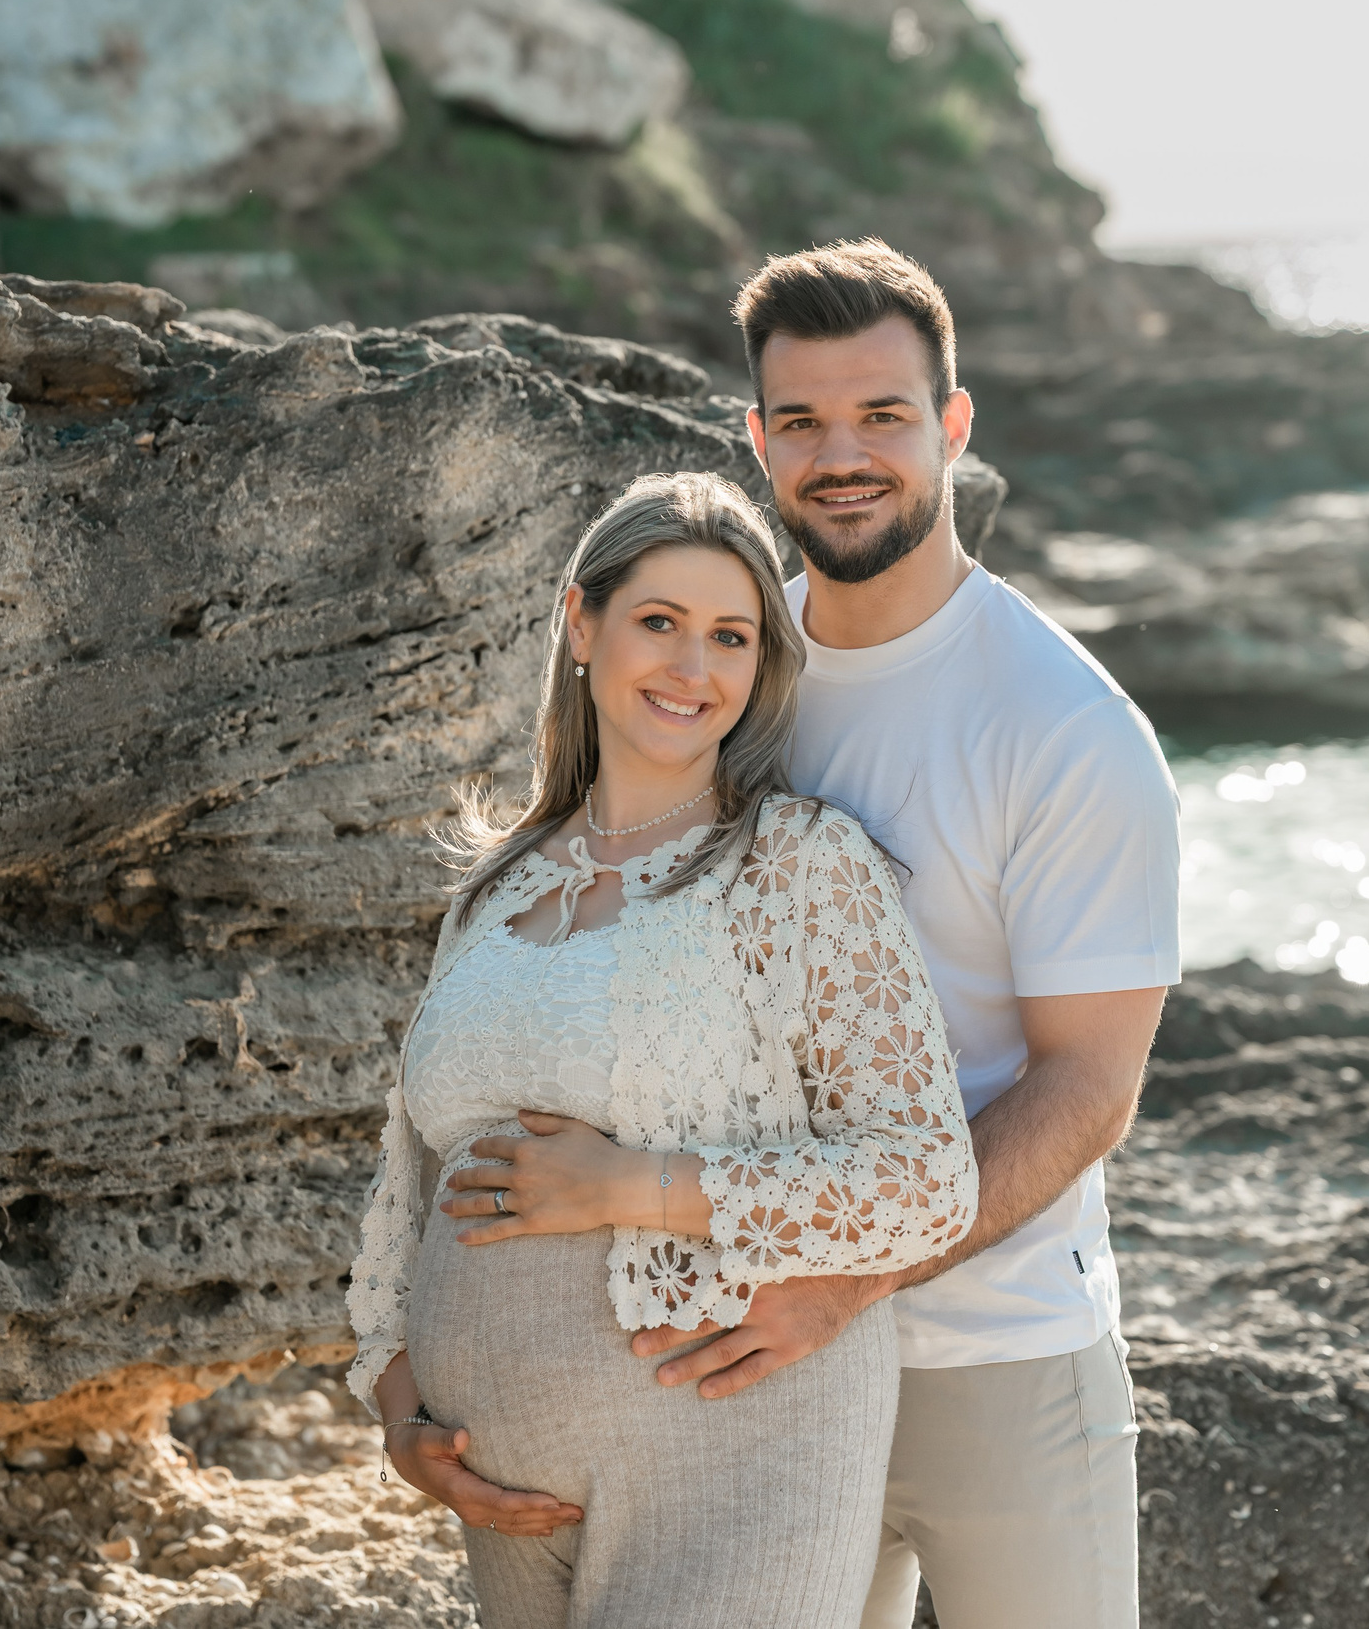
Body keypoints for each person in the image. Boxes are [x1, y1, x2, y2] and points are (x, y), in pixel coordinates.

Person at [628, 240, 1182, 1629]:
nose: (843, 455)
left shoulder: (1064, 726)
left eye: (882, 414)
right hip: (756, 1352)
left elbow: (1087, 1083)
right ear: (757, 439)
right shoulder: (721, 683)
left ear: (953, 424)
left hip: (998, 1355)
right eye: (803, 420)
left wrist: (847, 1279)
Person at [346, 471, 981, 1628]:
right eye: (659, 622)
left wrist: (633, 1188)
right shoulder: (496, 884)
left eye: (730, 637)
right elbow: (414, 1180)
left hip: (732, 1446)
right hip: (503, 1490)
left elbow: (925, 1180)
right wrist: (399, 1412)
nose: (694, 667)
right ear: (581, 625)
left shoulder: (798, 865)